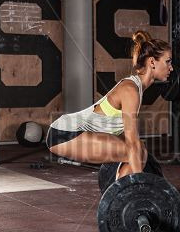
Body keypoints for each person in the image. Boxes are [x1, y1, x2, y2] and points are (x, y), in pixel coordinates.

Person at [46, 31, 173, 179]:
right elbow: (132, 142)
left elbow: (125, 136)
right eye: (168, 61)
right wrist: (141, 184)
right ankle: (127, 194)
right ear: (152, 62)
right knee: (138, 152)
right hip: (64, 134)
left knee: (140, 150)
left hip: (67, 132)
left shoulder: (136, 87)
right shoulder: (131, 90)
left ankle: (121, 193)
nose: (171, 68)